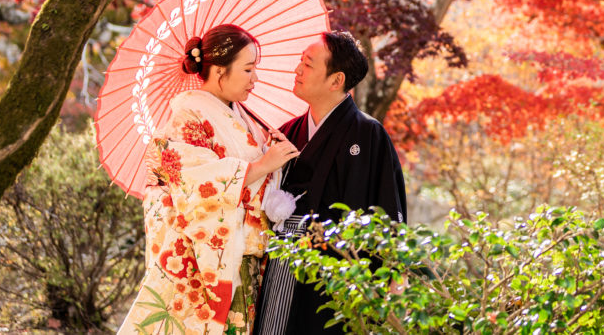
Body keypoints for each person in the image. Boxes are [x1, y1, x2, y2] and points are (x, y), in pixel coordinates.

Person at [118, 24, 300, 335]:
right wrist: (263, 164)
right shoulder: (188, 116)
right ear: (218, 71)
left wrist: (272, 155)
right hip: (213, 264)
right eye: (248, 69)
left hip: (246, 259)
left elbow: (254, 178)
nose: (255, 79)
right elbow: (194, 184)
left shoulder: (241, 116)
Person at [254, 31, 407, 335]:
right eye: (300, 62)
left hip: (338, 269)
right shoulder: (286, 133)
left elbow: (388, 211)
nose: (297, 70)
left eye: (308, 65)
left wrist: (393, 272)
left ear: (336, 80)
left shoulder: (368, 134)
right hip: (284, 260)